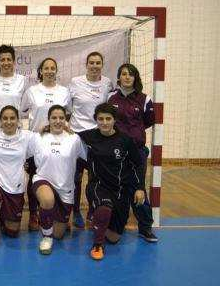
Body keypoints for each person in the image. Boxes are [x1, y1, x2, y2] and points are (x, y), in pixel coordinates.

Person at [78, 103, 146, 260]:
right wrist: (47, 129)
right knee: (105, 208)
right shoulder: (89, 136)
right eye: (100, 119)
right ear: (96, 120)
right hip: (98, 186)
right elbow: (68, 135)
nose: (104, 122)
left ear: (114, 120)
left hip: (121, 190)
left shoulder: (125, 141)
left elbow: (138, 164)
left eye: (108, 119)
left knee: (114, 238)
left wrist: (140, 187)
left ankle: (100, 220)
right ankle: (97, 244)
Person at [107, 63, 158, 242]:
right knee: (118, 189)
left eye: (130, 74)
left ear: (135, 78)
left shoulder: (145, 99)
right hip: (117, 153)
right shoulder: (111, 99)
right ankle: (115, 225)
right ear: (119, 78)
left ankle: (145, 228)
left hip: (137, 152)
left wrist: (133, 135)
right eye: (123, 74)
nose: (127, 77)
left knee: (138, 189)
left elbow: (149, 121)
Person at [21, 57, 72, 231]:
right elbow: (23, 111)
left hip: (59, 142)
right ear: (40, 71)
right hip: (38, 142)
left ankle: (60, 213)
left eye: (53, 68)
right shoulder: (31, 91)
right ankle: (34, 213)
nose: (49, 71)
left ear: (56, 71)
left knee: (60, 177)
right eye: (46, 68)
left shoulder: (64, 91)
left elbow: (69, 114)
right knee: (35, 176)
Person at [31, 105, 85, 255]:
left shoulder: (74, 139)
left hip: (65, 189)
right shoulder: (37, 137)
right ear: (48, 120)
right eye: (54, 118)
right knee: (47, 200)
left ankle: (51, 222)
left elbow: (86, 156)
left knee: (59, 235)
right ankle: (46, 237)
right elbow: (14, 136)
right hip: (42, 180)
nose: (58, 121)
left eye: (61, 118)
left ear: (65, 120)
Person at [68, 52, 114, 228]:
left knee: (95, 176)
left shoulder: (107, 83)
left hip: (98, 138)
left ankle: (93, 210)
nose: (95, 66)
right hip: (79, 136)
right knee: (77, 177)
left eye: (98, 63)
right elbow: (68, 108)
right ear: (86, 64)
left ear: (102, 64)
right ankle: (76, 211)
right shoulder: (75, 82)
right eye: (91, 63)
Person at [0, 105, 34, 253]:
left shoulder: (27, 136)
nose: (9, 121)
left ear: (18, 120)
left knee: (12, 233)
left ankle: (3, 216)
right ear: (0, 120)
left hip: (15, 185)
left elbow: (45, 137)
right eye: (5, 118)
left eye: (12, 118)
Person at [0, 45, 26, 128]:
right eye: (2, 60)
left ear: (14, 62)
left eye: (9, 59)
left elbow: (25, 108)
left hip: (15, 130)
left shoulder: (22, 80)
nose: (6, 63)